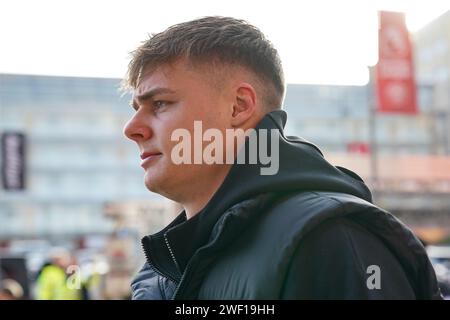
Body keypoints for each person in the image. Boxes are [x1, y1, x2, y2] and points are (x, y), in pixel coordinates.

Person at [122, 16, 442, 299]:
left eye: (160, 104)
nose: (132, 128)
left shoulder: (330, 240)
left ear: (239, 106)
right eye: (136, 108)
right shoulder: (156, 271)